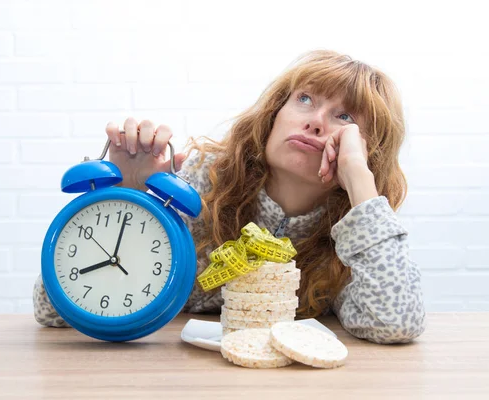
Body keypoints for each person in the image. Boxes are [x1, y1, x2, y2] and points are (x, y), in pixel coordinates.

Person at [33, 49, 426, 345]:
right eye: (305, 99)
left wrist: (360, 180)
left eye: (346, 117)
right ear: (275, 113)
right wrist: (129, 199)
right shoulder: (200, 183)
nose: (315, 121)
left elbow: (397, 324)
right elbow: (52, 311)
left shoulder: (359, 231)